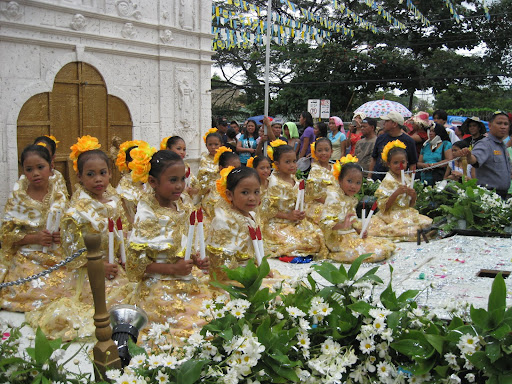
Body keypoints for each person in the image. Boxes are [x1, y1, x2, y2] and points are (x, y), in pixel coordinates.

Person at [29, 137, 137, 340]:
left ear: (110, 173)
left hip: (118, 266)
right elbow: (71, 254)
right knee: (112, 303)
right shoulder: (76, 212)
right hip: (90, 273)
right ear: (79, 176)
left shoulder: (114, 202)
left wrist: (125, 256)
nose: (98, 179)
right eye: (91, 174)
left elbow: (125, 233)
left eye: (103, 173)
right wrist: (99, 266)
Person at [127, 150, 209, 331]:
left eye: (182, 179)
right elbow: (135, 264)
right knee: (181, 323)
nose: (180, 186)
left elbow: (184, 244)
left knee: (210, 312)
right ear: (153, 182)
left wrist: (196, 259)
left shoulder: (183, 205)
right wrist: (173, 268)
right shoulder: (147, 213)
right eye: (173, 180)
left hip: (184, 277)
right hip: (158, 282)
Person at [0, 144, 71, 312]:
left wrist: (61, 235)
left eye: (40, 167)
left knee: (74, 286)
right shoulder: (18, 198)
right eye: (29, 169)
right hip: (28, 255)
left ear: (51, 167)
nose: (36, 173)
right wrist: (35, 238)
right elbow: (5, 235)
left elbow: (69, 225)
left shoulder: (59, 195)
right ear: (23, 171)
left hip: (57, 254)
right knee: (30, 289)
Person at [319, 159, 395, 263]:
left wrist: (359, 229)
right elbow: (324, 223)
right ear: (340, 180)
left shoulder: (349, 197)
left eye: (358, 183)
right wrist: (341, 225)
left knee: (381, 247)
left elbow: (353, 218)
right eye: (349, 181)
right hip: (337, 238)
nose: (353, 186)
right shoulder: (334, 196)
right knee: (370, 253)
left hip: (349, 234)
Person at [260, 141, 326, 258]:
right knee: (295, 243)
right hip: (277, 223)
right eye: (287, 162)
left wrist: (300, 213)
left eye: (294, 161)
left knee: (316, 238)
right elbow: (266, 210)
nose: (292, 165)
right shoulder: (274, 183)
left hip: (295, 222)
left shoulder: (294, 179)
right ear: (277, 164)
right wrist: (288, 216)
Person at [206, 166, 264, 281]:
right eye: (245, 192)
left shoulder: (251, 214)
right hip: (232, 276)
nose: (252, 198)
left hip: (252, 270)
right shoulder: (223, 221)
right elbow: (220, 263)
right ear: (229, 195)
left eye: (256, 192)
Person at [366, 142, 432, 241]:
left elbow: (410, 204)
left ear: (407, 163)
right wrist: (397, 193)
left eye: (403, 162)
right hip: (391, 214)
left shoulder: (407, 178)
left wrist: (413, 196)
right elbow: (383, 206)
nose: (399, 166)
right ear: (389, 164)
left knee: (426, 224)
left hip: (406, 212)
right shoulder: (388, 181)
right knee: (401, 229)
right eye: (395, 163)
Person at [462, 111, 511, 199]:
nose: (503, 127)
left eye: (506, 124)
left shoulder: (502, 145)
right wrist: (469, 156)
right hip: (489, 197)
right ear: (490, 125)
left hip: (503, 196)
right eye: (499, 123)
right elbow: (474, 160)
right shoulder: (485, 144)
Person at [369, 111, 418, 181]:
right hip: (378, 179)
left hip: (398, 182)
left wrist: (409, 182)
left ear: (394, 124)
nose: (384, 123)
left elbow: (413, 164)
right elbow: (374, 158)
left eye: (387, 121)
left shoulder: (409, 141)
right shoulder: (380, 138)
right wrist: (369, 177)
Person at [305, 138, 339, 224]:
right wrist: (329, 203)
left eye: (326, 150)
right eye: (320, 150)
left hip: (335, 202)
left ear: (331, 151)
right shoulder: (315, 170)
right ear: (315, 153)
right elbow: (313, 194)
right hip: (320, 204)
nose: (323, 153)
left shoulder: (335, 168)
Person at [202, 146, 241, 219]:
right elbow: (211, 207)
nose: (237, 171)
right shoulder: (216, 185)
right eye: (232, 168)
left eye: (238, 168)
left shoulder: (240, 183)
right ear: (221, 168)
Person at [115, 139, 147, 224]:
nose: (141, 163)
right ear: (129, 163)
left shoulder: (149, 180)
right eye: (137, 160)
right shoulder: (123, 186)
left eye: (143, 159)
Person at [165, 135, 199, 199]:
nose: (182, 152)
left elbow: (196, 184)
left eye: (184, 149)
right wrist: (183, 192)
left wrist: (192, 190)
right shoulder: (165, 167)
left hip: (185, 202)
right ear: (168, 149)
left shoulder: (186, 167)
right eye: (178, 149)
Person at [197, 129, 222, 210]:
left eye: (216, 144)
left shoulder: (224, 158)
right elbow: (202, 175)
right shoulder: (204, 158)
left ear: (221, 145)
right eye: (210, 144)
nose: (213, 147)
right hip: (208, 190)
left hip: (222, 189)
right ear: (206, 145)